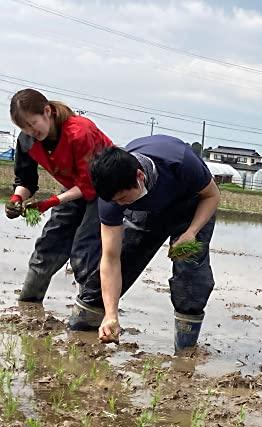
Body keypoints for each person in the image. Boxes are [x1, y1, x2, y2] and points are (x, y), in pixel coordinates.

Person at [89, 135, 220, 349]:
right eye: (116, 201)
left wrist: (191, 232)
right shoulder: (112, 198)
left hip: (192, 205)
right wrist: (112, 314)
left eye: (123, 199)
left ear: (140, 176)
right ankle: (92, 322)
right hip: (147, 207)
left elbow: (212, 195)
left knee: (191, 273)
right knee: (126, 255)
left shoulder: (182, 162)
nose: (120, 204)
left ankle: (185, 350)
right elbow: (110, 259)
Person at [5, 89, 113, 329]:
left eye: (34, 124)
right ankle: (28, 306)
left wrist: (50, 202)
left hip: (105, 189)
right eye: (26, 128)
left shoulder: (79, 132)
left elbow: (90, 184)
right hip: (71, 189)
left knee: (84, 252)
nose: (33, 132)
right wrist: (16, 198)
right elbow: (26, 180)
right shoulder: (27, 140)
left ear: (47, 112)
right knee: (48, 245)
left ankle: (89, 318)